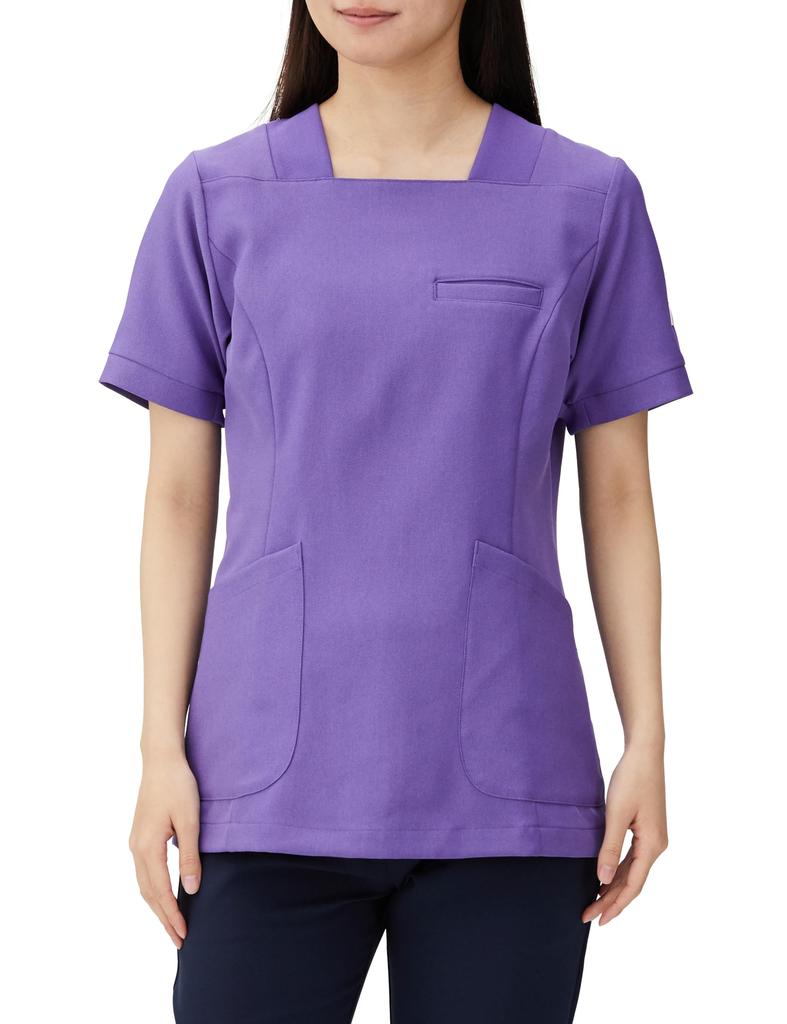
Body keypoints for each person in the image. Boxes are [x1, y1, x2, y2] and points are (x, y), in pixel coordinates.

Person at [98, 2, 693, 1021]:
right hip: (259, 789)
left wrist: (647, 738)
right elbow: (178, 493)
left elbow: (621, 494)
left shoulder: (584, 201)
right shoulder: (216, 197)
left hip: (509, 785)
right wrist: (160, 749)